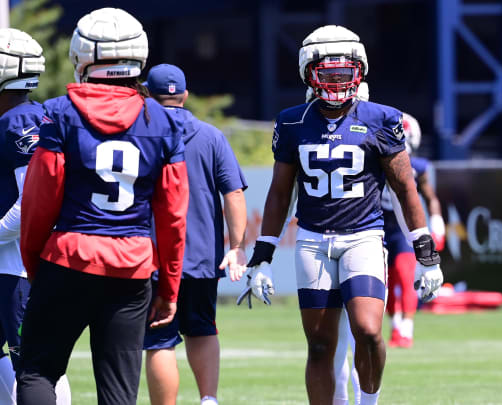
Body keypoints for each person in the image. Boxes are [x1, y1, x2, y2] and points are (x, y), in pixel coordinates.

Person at [242, 25, 443, 405]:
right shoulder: (291, 121)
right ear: (308, 73)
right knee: (320, 345)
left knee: (368, 331)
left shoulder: (383, 118)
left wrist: (427, 257)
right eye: (328, 74)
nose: (337, 82)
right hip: (313, 240)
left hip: (363, 237)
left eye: (344, 72)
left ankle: (368, 402)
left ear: (360, 71)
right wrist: (261, 258)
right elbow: (280, 193)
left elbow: (406, 189)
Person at [17, 8, 188, 405]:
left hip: (68, 259)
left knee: (38, 371)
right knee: (118, 393)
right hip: (131, 268)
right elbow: (173, 215)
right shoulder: (163, 120)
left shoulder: (60, 113)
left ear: (82, 57)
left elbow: (40, 200)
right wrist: (170, 284)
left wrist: (34, 263)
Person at [142, 63, 249, 405]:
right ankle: (208, 400)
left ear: (147, 95)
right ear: (185, 96)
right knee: (202, 328)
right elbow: (233, 194)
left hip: (154, 256)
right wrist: (237, 246)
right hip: (202, 256)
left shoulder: (139, 133)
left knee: (159, 339)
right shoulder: (211, 135)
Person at [0, 28, 71, 405]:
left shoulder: (19, 121)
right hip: (9, 262)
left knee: (33, 362)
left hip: (18, 265)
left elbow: (33, 198)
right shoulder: (24, 115)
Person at [383, 112, 446, 348]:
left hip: (403, 229)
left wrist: (437, 222)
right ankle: (395, 325)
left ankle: (406, 328)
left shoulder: (418, 167)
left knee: (406, 274)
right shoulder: (375, 160)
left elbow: (431, 198)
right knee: (385, 282)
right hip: (377, 224)